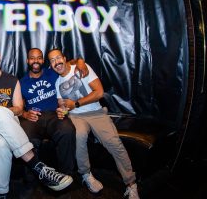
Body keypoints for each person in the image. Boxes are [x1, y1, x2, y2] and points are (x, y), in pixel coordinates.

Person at [0, 47, 73, 199]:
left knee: (0, 144)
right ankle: (38, 166)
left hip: (5, 128)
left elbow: (19, 109)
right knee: (0, 112)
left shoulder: (12, 80)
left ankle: (0, 194)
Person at [48, 48, 140, 199]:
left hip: (96, 113)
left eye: (58, 58)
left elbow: (99, 92)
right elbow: (63, 106)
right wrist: (62, 111)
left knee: (113, 142)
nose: (56, 62)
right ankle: (86, 175)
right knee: (79, 136)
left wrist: (76, 103)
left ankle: (131, 184)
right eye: (52, 60)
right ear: (51, 65)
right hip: (76, 117)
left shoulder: (81, 68)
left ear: (64, 58)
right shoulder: (58, 84)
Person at [19, 48, 88, 177]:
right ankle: (32, 178)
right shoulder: (22, 82)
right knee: (25, 136)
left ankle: (66, 175)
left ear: (43, 60)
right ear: (27, 61)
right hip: (34, 118)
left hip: (54, 115)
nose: (36, 61)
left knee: (67, 130)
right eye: (32, 58)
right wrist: (25, 114)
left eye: (39, 57)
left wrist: (80, 61)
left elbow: (70, 62)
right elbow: (19, 107)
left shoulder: (52, 73)